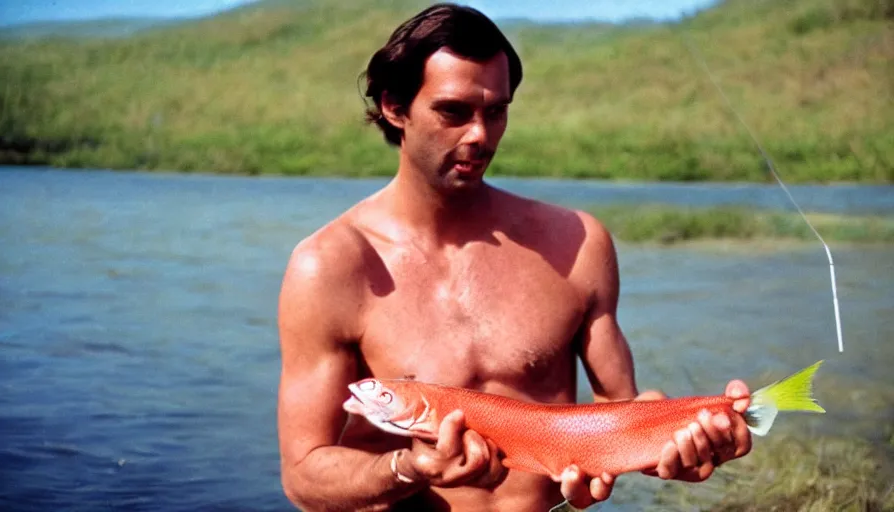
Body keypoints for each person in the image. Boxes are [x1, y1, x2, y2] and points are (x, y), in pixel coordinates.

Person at [276, 3, 752, 511]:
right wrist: (408, 469)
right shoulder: (330, 266)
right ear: (395, 107)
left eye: (496, 111)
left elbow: (621, 411)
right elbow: (303, 475)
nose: (480, 135)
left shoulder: (577, 242)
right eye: (453, 112)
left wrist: (678, 446)